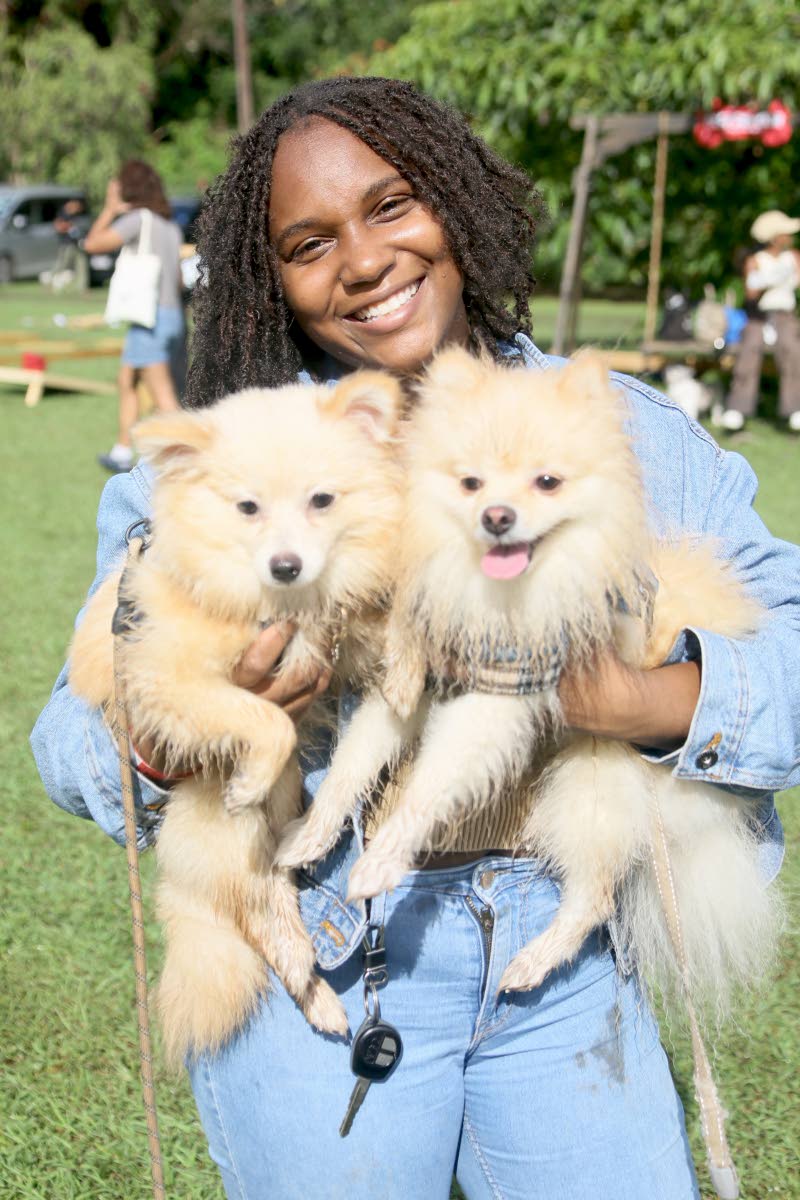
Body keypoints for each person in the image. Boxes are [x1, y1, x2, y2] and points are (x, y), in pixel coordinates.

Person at [31, 78, 797, 1200]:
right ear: (269, 278)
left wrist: (633, 701)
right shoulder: (228, 458)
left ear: (454, 198)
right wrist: (190, 727)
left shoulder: (621, 426)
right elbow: (68, 746)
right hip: (328, 931)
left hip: (563, 953)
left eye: (392, 205)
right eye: (307, 242)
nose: (362, 259)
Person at [83, 160, 187, 473]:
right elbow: (179, 280)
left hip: (149, 319)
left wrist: (109, 209)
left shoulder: (136, 220)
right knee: (126, 378)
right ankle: (121, 450)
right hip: (174, 318)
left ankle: (191, 457)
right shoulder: (170, 227)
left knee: (165, 398)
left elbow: (92, 244)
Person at [717, 209, 800, 432]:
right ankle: (738, 408)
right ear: (775, 237)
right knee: (749, 348)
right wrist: (766, 280)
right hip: (759, 316)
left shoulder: (792, 257)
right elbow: (751, 294)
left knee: (791, 348)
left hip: (785, 316)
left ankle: (795, 408)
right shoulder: (755, 261)